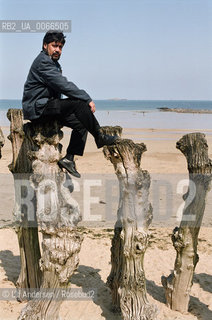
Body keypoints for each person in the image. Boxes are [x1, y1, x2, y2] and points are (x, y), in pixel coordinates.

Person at [22, 30, 118, 178]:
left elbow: (58, 89)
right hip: (38, 108)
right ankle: (99, 136)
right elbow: (63, 85)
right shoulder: (43, 62)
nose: (58, 50)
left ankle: (69, 158)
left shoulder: (54, 64)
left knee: (82, 122)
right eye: (54, 46)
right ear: (45, 45)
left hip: (48, 106)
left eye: (60, 47)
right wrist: (86, 98)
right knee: (80, 105)